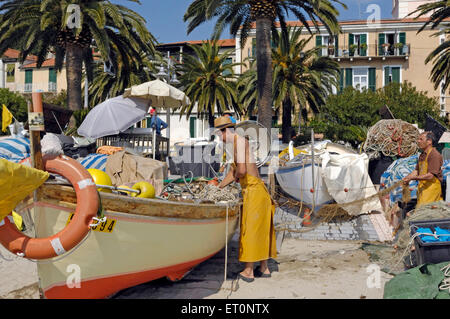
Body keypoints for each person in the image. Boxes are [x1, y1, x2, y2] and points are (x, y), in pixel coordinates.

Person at [215, 116, 277, 282]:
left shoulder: (240, 143)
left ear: (225, 131)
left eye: (219, 134)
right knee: (261, 230)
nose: (220, 138)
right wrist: (218, 187)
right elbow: (233, 172)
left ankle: (248, 271)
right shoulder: (236, 144)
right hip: (257, 191)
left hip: (254, 191)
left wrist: (236, 177)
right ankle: (264, 268)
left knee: (249, 230)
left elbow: (240, 170)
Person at [403, 131, 443, 208]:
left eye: (421, 139)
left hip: (431, 189)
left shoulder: (434, 155)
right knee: (422, 212)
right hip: (423, 188)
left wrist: (413, 178)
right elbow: (417, 171)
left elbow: (430, 176)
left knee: (425, 213)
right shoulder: (422, 155)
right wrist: (408, 178)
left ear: (429, 142)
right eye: (418, 139)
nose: (418, 141)